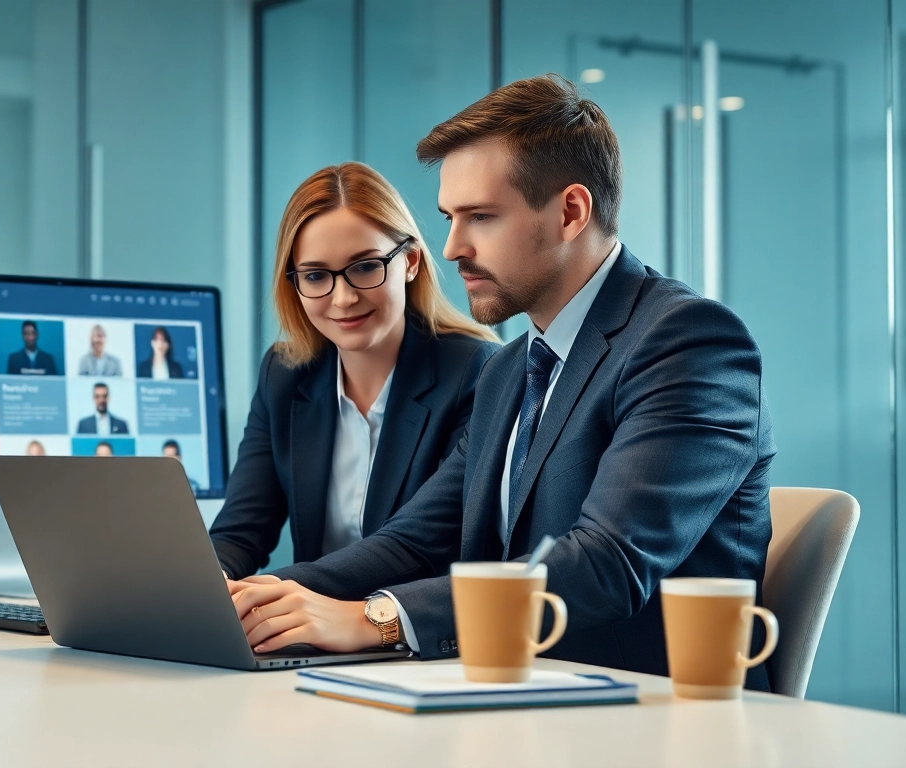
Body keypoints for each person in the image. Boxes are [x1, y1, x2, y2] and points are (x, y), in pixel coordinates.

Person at [229, 75, 776, 691]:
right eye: (449, 217)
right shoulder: (513, 367)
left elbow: (606, 563)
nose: (452, 247)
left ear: (571, 211)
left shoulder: (689, 341)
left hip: (652, 715)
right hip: (518, 700)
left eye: (480, 217)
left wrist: (374, 619)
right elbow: (417, 539)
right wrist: (260, 597)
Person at [208, 162, 500, 580]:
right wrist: (209, 583)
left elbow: (421, 547)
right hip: (312, 635)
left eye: (365, 267)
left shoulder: (476, 371)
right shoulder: (285, 374)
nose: (343, 299)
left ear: (410, 261)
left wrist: (277, 590)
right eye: (315, 275)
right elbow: (239, 533)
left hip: (413, 636)